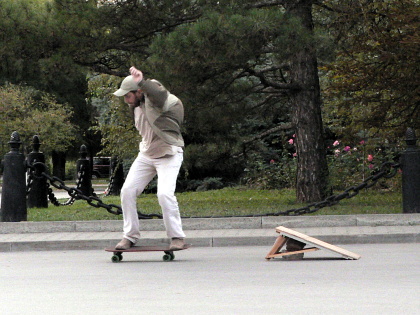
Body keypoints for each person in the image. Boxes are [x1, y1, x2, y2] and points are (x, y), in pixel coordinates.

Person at [113, 66, 186, 250]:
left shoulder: (156, 101)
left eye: (128, 96)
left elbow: (159, 94)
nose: (126, 100)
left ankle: (177, 237)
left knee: (164, 194)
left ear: (139, 92)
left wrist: (142, 82)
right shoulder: (135, 107)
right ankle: (129, 236)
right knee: (127, 191)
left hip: (168, 153)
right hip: (147, 154)